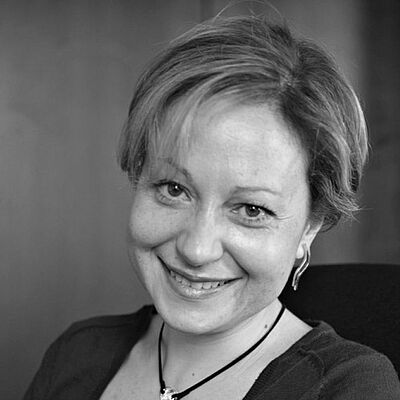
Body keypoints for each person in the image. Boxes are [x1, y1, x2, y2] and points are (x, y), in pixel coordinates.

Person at [24, 15, 400, 400]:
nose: (197, 249)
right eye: (174, 189)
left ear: (310, 226)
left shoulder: (349, 386)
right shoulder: (76, 354)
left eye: (251, 210)